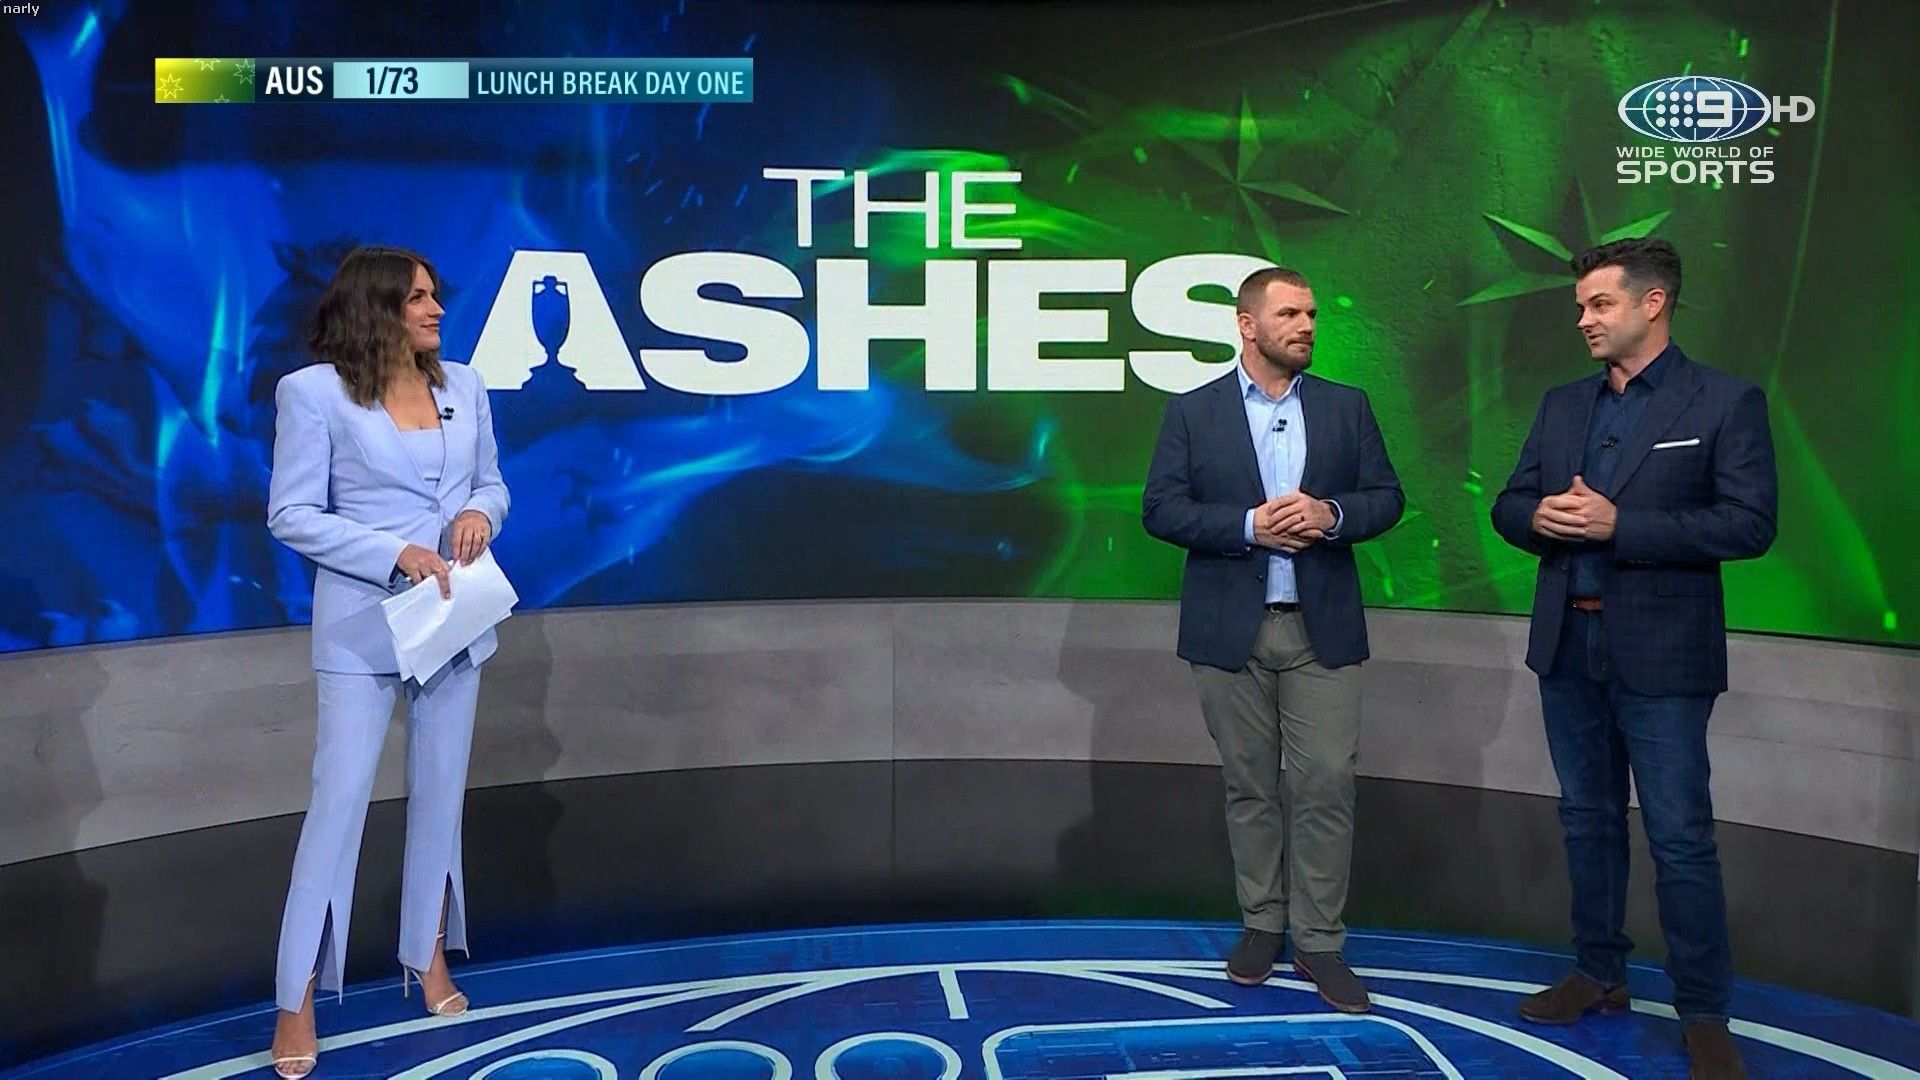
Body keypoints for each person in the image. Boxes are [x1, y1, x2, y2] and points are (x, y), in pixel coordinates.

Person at [1490, 237, 1776, 1080]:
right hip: (1568, 645)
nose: (1583, 320)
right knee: (1587, 819)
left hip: (1664, 655)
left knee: (1680, 837)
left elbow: (1750, 524)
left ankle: (1703, 1013)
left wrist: (1625, 527)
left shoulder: (1724, 401)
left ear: (1653, 304)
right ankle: (1598, 972)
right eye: (1580, 306)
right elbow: (1509, 502)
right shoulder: (1561, 405)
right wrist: (1534, 517)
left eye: (1599, 304)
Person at [263, 245, 510, 1078]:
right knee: (337, 808)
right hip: (364, 625)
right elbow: (291, 514)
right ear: (376, 308)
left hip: (451, 617)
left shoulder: (465, 385)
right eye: (417, 299)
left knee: (441, 798)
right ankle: (295, 1001)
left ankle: (426, 957)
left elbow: (492, 483)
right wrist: (392, 552)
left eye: (435, 295)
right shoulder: (313, 394)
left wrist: (480, 514)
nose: (436, 310)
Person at [1142, 266, 1404, 1013]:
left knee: (1326, 782)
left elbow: (1387, 499)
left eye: (1312, 314)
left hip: (1323, 627)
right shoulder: (1193, 412)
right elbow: (1160, 509)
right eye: (1290, 314)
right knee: (1250, 784)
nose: (1307, 326)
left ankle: (1318, 940)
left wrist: (1332, 515)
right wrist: (1247, 526)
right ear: (1247, 325)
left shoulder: (1348, 407)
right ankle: (1262, 923)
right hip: (1231, 628)